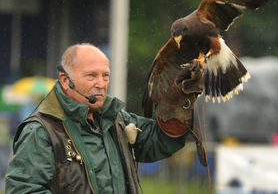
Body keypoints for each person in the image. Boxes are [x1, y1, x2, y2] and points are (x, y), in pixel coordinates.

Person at [5, 43, 203, 194]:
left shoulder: (116, 120)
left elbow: (163, 139)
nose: (100, 84)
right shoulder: (41, 131)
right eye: (91, 76)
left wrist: (180, 102)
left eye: (105, 76)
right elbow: (24, 190)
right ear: (66, 81)